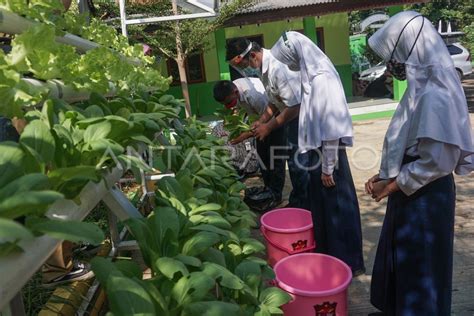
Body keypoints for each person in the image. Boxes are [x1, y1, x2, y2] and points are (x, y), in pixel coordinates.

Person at [364, 11, 474, 314]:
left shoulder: (435, 95)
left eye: (394, 56)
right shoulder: (421, 88)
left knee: (421, 268)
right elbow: (409, 142)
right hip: (411, 190)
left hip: (425, 197)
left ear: (410, 50)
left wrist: (393, 185)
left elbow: (438, 161)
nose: (391, 65)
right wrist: (384, 174)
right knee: (408, 265)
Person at [271, 31, 365, 274]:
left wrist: (327, 167)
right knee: (324, 212)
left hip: (327, 157)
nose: (288, 65)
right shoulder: (311, 75)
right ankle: (331, 258)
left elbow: (331, 127)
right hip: (318, 154)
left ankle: (346, 263)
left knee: (337, 212)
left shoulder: (322, 78)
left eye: (288, 59)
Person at [226, 38, 310, 209]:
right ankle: (298, 204)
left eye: (243, 66)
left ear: (253, 55)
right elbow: (274, 101)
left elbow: (294, 106)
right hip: (291, 118)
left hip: (302, 120)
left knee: (299, 166)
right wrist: (261, 121)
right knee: (294, 166)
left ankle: (304, 208)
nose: (244, 71)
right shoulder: (262, 69)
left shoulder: (278, 67)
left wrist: (268, 127)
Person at [213, 78, 285, 210]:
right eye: (225, 104)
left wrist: (244, 135)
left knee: (275, 159)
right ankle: (268, 190)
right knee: (263, 157)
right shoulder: (233, 90)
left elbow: (270, 115)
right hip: (259, 120)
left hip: (274, 121)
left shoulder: (254, 96)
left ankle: (276, 195)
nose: (228, 106)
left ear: (235, 91)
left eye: (229, 102)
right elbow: (243, 113)